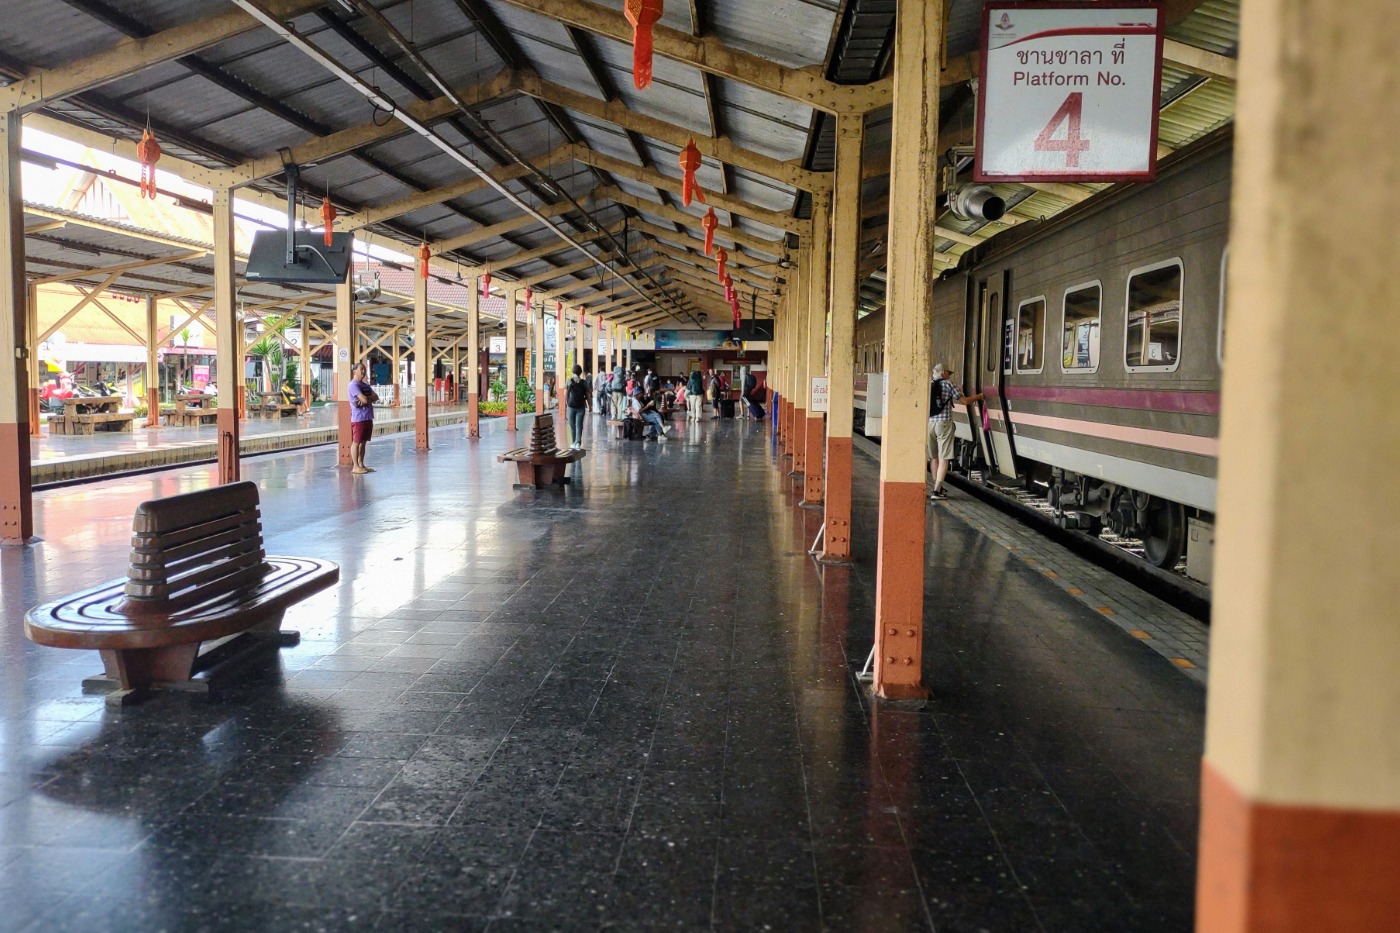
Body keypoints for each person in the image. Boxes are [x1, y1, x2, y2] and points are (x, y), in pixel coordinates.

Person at [927, 362, 983, 500]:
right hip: (944, 424)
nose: (949, 375)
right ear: (943, 372)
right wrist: (980, 396)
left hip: (930, 424)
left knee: (933, 458)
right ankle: (936, 491)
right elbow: (965, 401)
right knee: (944, 458)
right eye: (948, 373)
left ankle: (937, 487)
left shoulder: (928, 384)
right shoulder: (948, 384)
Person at [348, 362, 379, 475]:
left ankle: (361, 464)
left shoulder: (365, 385)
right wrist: (367, 399)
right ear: (354, 371)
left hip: (368, 416)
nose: (363, 371)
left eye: (364, 369)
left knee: (363, 442)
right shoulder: (353, 385)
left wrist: (366, 398)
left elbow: (376, 396)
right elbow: (366, 400)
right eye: (361, 369)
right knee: (356, 442)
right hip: (358, 418)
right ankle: (355, 466)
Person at [565, 364, 591, 450]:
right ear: (580, 372)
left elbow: (565, 394)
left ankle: (573, 442)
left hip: (571, 406)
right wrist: (590, 406)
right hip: (581, 407)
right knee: (579, 425)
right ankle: (578, 443)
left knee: (572, 425)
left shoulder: (569, 381)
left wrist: (567, 402)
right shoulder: (584, 382)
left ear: (573, 371)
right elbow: (588, 395)